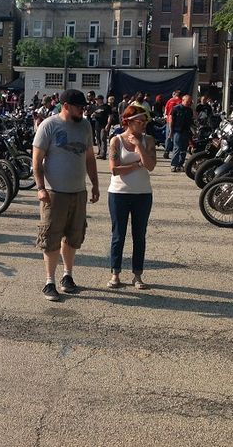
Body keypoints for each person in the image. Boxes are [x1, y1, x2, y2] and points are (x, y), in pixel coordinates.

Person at [33, 88, 100, 301]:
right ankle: (49, 281)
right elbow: (36, 160)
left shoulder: (85, 125)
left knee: (73, 237)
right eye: (79, 107)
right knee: (51, 238)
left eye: (84, 107)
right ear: (66, 106)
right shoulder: (49, 125)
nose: (83, 110)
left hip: (78, 192)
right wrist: (41, 188)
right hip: (54, 193)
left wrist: (95, 185)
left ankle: (67, 276)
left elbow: (90, 158)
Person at [107, 106, 157, 289]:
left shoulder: (148, 140)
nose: (143, 124)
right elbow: (114, 170)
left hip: (143, 194)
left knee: (139, 235)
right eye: (139, 121)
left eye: (145, 121)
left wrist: (138, 145)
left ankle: (137, 275)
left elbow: (150, 165)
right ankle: (115, 274)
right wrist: (137, 164)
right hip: (119, 194)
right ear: (128, 121)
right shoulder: (116, 140)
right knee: (118, 235)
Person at [163, 90, 182, 159]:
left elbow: (165, 112)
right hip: (178, 122)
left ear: (175, 95)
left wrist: (167, 117)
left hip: (169, 121)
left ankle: (166, 152)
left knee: (168, 137)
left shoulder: (169, 101)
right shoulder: (181, 101)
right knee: (176, 138)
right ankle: (175, 154)